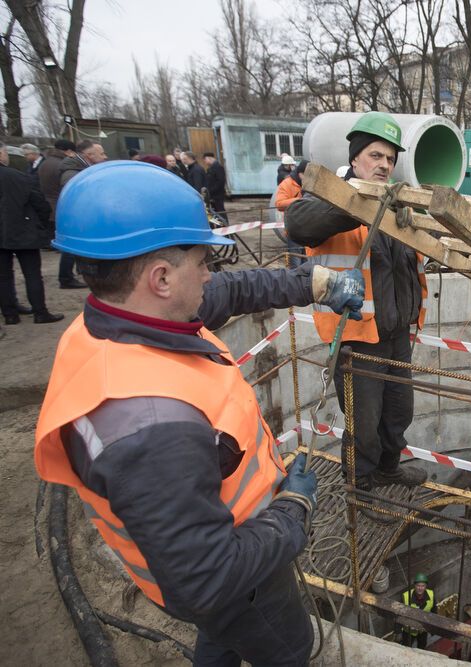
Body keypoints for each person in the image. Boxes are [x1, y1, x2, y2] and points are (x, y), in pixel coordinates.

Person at [34, 160, 366, 666]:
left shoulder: (126, 320)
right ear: (161, 277)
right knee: (287, 648)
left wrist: (314, 282)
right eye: (202, 261)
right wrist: (293, 511)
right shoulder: (148, 428)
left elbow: (232, 292)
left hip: (221, 549)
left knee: (223, 639)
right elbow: (206, 582)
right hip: (242, 580)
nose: (211, 273)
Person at [285, 111, 428, 519]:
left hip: (397, 332)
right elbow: (297, 223)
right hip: (357, 334)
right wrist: (356, 204)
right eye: (375, 156)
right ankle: (361, 488)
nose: (384, 165)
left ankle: (387, 471)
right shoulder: (334, 195)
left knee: (399, 413)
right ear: (356, 157)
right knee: (363, 421)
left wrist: (410, 224)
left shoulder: (395, 197)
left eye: (389, 158)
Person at [0, 142, 63, 325]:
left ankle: (10, 314)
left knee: (3, 276)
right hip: (24, 230)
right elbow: (40, 204)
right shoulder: (19, 177)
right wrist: (40, 225)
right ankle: (40, 312)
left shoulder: (18, 176)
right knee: (32, 274)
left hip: (9, 232)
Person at [57, 140, 107, 289]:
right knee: (72, 248)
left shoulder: (82, 169)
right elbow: (76, 195)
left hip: (81, 216)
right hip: (78, 217)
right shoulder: (72, 173)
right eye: (102, 153)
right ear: (90, 155)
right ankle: (66, 278)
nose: (105, 156)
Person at [398, 573, 436, 649]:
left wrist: (433, 629)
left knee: (422, 648)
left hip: (422, 629)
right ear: (414, 586)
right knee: (406, 649)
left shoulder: (431, 595)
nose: (420, 588)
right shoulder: (406, 596)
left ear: (426, 587)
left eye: (422, 586)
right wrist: (397, 632)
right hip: (408, 631)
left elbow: (434, 611)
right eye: (418, 585)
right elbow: (398, 614)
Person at [203, 152, 227, 221]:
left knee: (220, 212)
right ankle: (220, 226)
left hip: (217, 195)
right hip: (213, 195)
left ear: (208, 158)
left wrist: (211, 191)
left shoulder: (218, 167)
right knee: (216, 212)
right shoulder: (211, 168)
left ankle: (224, 226)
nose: (205, 162)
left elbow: (221, 181)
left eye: (205, 160)